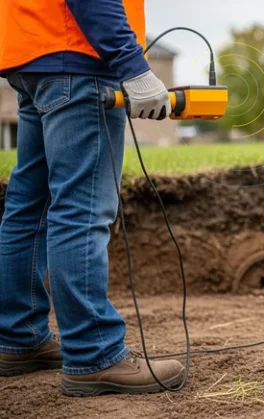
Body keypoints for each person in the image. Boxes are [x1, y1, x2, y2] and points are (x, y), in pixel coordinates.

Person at [0, 0, 185, 395]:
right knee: (80, 211)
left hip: (32, 57)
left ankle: (19, 337)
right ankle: (93, 353)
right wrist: (133, 65)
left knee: (30, 208)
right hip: (78, 62)